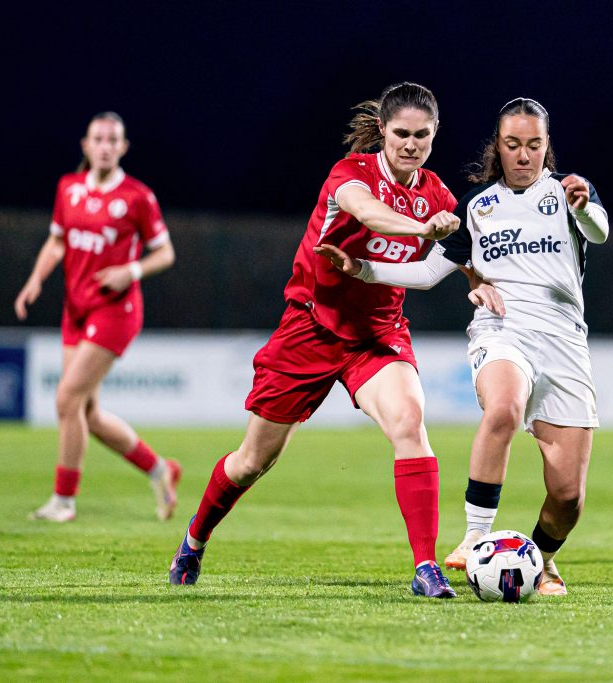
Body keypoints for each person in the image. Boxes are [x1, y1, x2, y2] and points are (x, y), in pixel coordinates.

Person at [168, 83, 465, 598]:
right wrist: (425, 228)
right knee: (251, 462)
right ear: (383, 131)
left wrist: (478, 282)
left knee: (409, 423)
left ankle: (424, 567)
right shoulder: (350, 175)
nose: (411, 144)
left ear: (435, 134)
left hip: (377, 334)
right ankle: (195, 538)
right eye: (401, 134)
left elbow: (463, 250)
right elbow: (371, 214)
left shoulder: (437, 193)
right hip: (310, 327)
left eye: (422, 135)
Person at [316, 97, 609, 595]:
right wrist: (363, 269)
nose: (523, 155)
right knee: (503, 408)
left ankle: (545, 558)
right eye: (513, 144)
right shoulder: (476, 206)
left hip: (564, 344)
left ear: (546, 147)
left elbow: (598, 233)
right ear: (498, 146)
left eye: (534, 145)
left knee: (568, 497)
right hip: (503, 329)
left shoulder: (568, 194)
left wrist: (582, 207)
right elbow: (429, 271)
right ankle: (475, 539)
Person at [15, 112, 180, 523]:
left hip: (116, 310)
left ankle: (63, 501)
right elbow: (57, 241)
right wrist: (35, 279)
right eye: (98, 139)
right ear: (86, 146)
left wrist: (132, 270)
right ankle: (160, 469)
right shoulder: (68, 189)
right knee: (85, 413)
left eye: (113, 140)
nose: (105, 146)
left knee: (66, 399)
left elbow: (165, 252)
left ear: (122, 148)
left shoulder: (137, 196)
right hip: (76, 309)